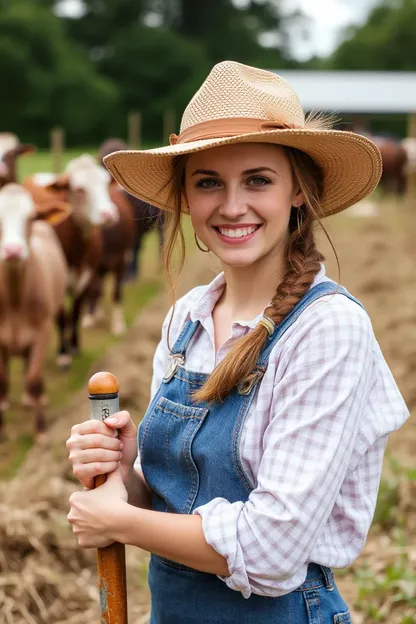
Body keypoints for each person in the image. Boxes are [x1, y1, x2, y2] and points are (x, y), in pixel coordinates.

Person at [66, 61, 409, 623]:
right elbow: (172, 506)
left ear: (299, 190)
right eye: (208, 183)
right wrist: (125, 474)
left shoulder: (326, 329)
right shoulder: (186, 318)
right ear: (186, 198)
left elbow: (273, 553)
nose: (231, 206)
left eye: (257, 179)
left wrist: (120, 522)